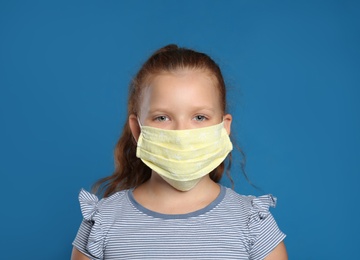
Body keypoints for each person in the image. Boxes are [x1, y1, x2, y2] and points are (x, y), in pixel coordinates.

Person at [71, 44, 288, 260]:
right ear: (137, 129)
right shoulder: (102, 222)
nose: (181, 133)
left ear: (224, 128)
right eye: (162, 117)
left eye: (199, 117)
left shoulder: (252, 223)